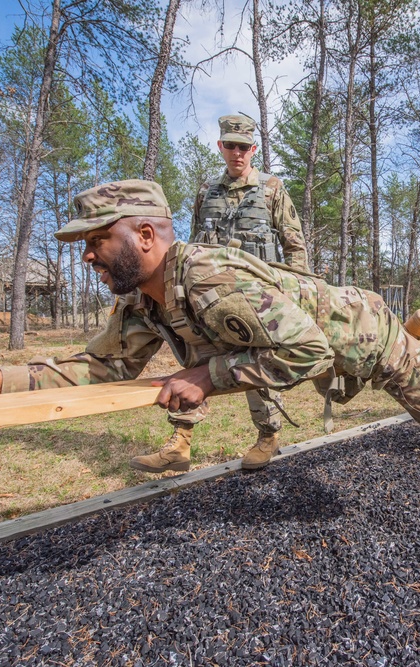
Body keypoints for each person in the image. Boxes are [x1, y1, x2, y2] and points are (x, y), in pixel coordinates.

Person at [0, 180, 420, 466]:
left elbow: (312, 353)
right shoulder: (143, 299)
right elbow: (99, 367)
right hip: (318, 348)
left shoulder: (212, 280)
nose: (86, 256)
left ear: (144, 236)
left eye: (94, 241)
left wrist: (208, 376)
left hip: (361, 334)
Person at [132, 113, 310, 474]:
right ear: (221, 147)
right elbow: (194, 245)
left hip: (258, 297)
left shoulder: (272, 189)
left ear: (253, 149)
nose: (237, 153)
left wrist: (300, 292)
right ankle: (180, 442)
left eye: (244, 147)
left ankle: (268, 435)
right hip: (210, 295)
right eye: (230, 145)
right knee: (196, 361)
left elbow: (294, 245)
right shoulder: (206, 193)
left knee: (254, 365)